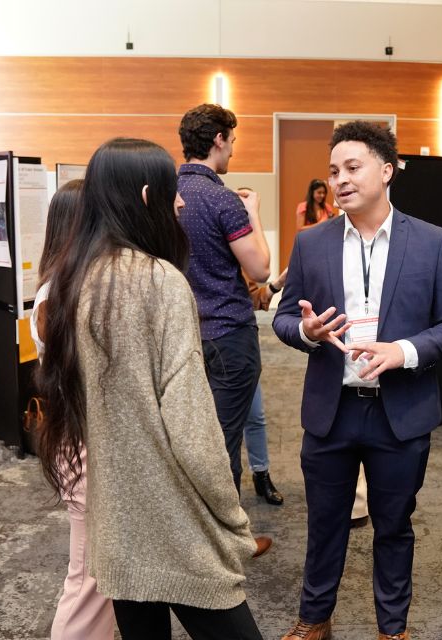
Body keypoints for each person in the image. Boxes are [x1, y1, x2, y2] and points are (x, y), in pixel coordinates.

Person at [34, 138, 262, 640]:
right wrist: (231, 517)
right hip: (173, 516)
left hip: (116, 522)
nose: (180, 202)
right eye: (170, 191)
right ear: (144, 196)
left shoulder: (74, 281)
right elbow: (192, 425)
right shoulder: (161, 281)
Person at [272, 121, 442, 640]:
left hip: (398, 413)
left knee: (395, 528)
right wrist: (309, 332)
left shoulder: (430, 242)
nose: (339, 180)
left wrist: (402, 351)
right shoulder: (311, 243)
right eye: (333, 171)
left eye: (352, 168)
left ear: (386, 170)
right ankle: (314, 620)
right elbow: (283, 318)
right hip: (330, 412)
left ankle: (392, 630)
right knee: (324, 526)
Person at [28, 179, 116, 640]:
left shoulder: (57, 288)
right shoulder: (61, 295)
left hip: (76, 438)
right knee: (86, 578)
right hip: (82, 441)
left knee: (97, 573)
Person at [176, 104, 271, 498]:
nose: (232, 150)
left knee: (193, 441)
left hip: (182, 336)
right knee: (224, 445)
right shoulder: (223, 199)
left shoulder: (170, 194)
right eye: (231, 141)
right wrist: (255, 215)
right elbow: (261, 269)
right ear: (218, 140)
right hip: (229, 337)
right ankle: (225, 544)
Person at [243, 269, 287, 506]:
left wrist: (277, 284)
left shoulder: (232, 256)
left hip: (239, 346)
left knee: (255, 414)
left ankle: (261, 475)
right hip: (200, 347)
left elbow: (254, 298)